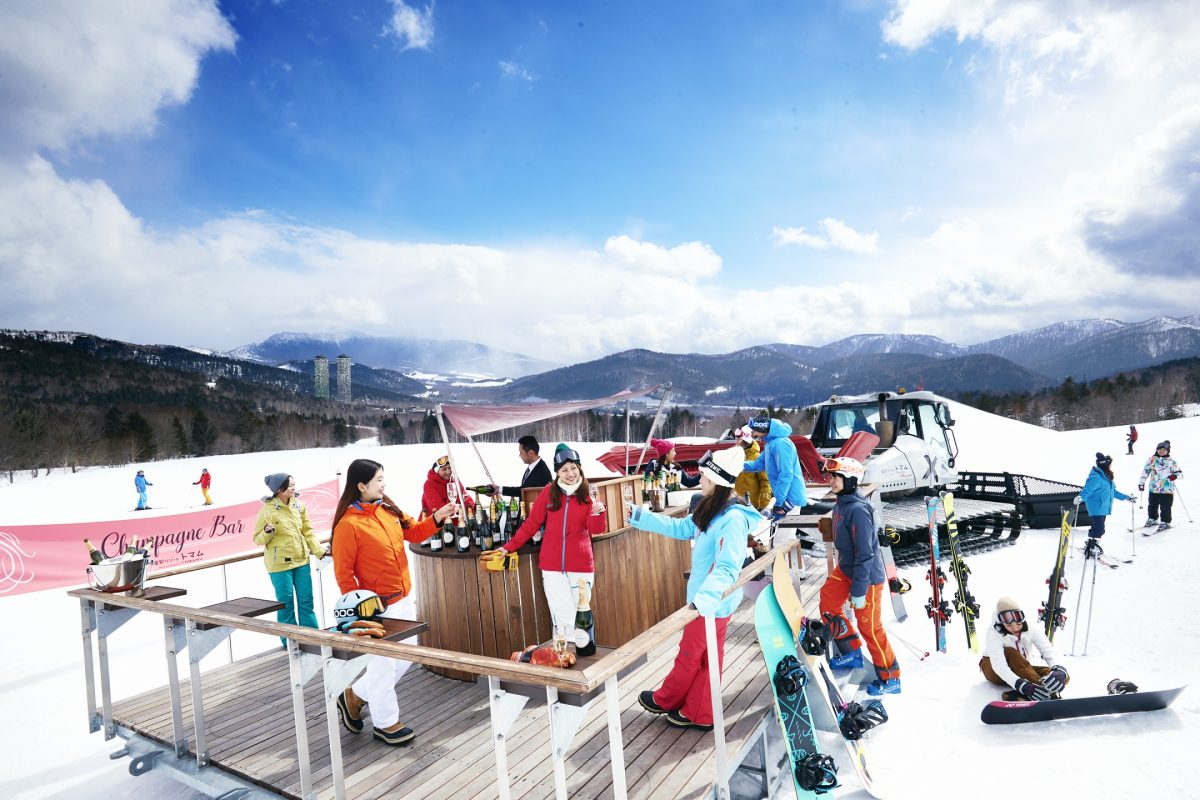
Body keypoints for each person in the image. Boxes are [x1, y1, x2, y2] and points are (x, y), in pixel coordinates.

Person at [627, 447, 757, 730]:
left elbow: (728, 566)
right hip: (709, 600)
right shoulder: (712, 508)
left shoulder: (732, 519)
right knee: (708, 657)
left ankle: (667, 699)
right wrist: (639, 516)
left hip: (710, 602)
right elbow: (679, 528)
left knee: (689, 655)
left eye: (704, 476)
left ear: (717, 480)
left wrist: (704, 599)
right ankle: (700, 712)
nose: (700, 480)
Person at [331, 458, 457, 746]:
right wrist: (361, 611)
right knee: (383, 666)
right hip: (376, 608)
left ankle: (353, 696)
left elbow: (414, 532)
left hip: (403, 600)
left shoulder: (388, 511)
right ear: (361, 486)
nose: (383, 484)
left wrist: (438, 517)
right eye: (378, 480)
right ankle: (386, 723)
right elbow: (344, 574)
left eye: (383, 478)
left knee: (406, 655)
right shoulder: (349, 525)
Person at [483, 444, 606, 652]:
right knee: (562, 616)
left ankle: (582, 657)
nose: (570, 474)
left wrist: (598, 512)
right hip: (552, 567)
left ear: (580, 469)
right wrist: (508, 547)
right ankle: (565, 657)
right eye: (564, 470)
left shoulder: (587, 495)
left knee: (581, 615)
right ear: (557, 472)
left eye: (573, 468)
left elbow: (596, 529)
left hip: (581, 567)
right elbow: (531, 524)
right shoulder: (549, 492)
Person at [819, 457, 901, 696]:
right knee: (828, 604)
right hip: (846, 569)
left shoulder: (858, 510)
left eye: (835, 477)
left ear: (850, 480)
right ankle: (852, 651)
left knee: (870, 628)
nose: (831, 481)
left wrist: (859, 590)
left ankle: (891, 677)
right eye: (831, 476)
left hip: (865, 576)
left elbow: (866, 553)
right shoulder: (841, 504)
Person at [253, 473, 328, 641]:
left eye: (294, 484)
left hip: (301, 560)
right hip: (279, 564)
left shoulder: (299, 506)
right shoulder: (267, 510)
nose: (293, 488)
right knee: (285, 603)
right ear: (279, 489)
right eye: (289, 485)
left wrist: (318, 551)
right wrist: (267, 533)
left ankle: (312, 637)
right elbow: (257, 538)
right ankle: (289, 640)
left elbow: (307, 531)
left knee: (306, 600)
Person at [980, 596, 1069, 701]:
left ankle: (1019, 695)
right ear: (1001, 623)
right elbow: (999, 666)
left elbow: (1047, 649)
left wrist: (1058, 670)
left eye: (1018, 623)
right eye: (1009, 625)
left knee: (1059, 677)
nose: (1015, 628)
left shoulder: (1030, 629)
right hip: (992, 669)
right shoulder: (993, 633)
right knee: (1011, 652)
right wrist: (1021, 685)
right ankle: (1048, 694)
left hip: (1019, 666)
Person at [743, 413, 809, 520]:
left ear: (761, 428)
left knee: (782, 531)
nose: (752, 434)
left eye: (754, 430)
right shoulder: (770, 443)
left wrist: (778, 502)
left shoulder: (781, 444)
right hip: (782, 497)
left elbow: (786, 474)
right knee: (774, 529)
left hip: (790, 499)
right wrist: (736, 464)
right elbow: (758, 465)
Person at [1075, 453, 1134, 555]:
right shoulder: (1096, 477)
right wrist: (1081, 497)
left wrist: (1126, 497)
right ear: (1104, 465)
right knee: (1099, 528)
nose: (1110, 466)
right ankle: (1092, 546)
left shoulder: (1105, 476)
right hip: (1096, 506)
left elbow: (1113, 492)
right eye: (1109, 464)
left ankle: (1090, 544)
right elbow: (1088, 489)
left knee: (1097, 527)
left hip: (1103, 507)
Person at [1139, 440, 1183, 532]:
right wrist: (1141, 482)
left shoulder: (1172, 461)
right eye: (1160, 449)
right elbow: (1145, 472)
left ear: (1168, 451)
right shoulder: (1151, 460)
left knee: (1165, 506)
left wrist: (1175, 476)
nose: (1161, 451)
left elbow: (1180, 474)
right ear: (1156, 449)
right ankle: (1152, 519)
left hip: (1167, 489)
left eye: (1164, 450)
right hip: (1153, 488)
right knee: (1152, 505)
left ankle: (1165, 522)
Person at [731, 426, 772, 511]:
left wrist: (763, 507)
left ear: (746, 440)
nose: (736, 442)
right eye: (736, 439)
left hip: (752, 507)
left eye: (738, 439)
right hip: (735, 505)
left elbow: (766, 483)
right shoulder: (734, 456)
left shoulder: (757, 458)